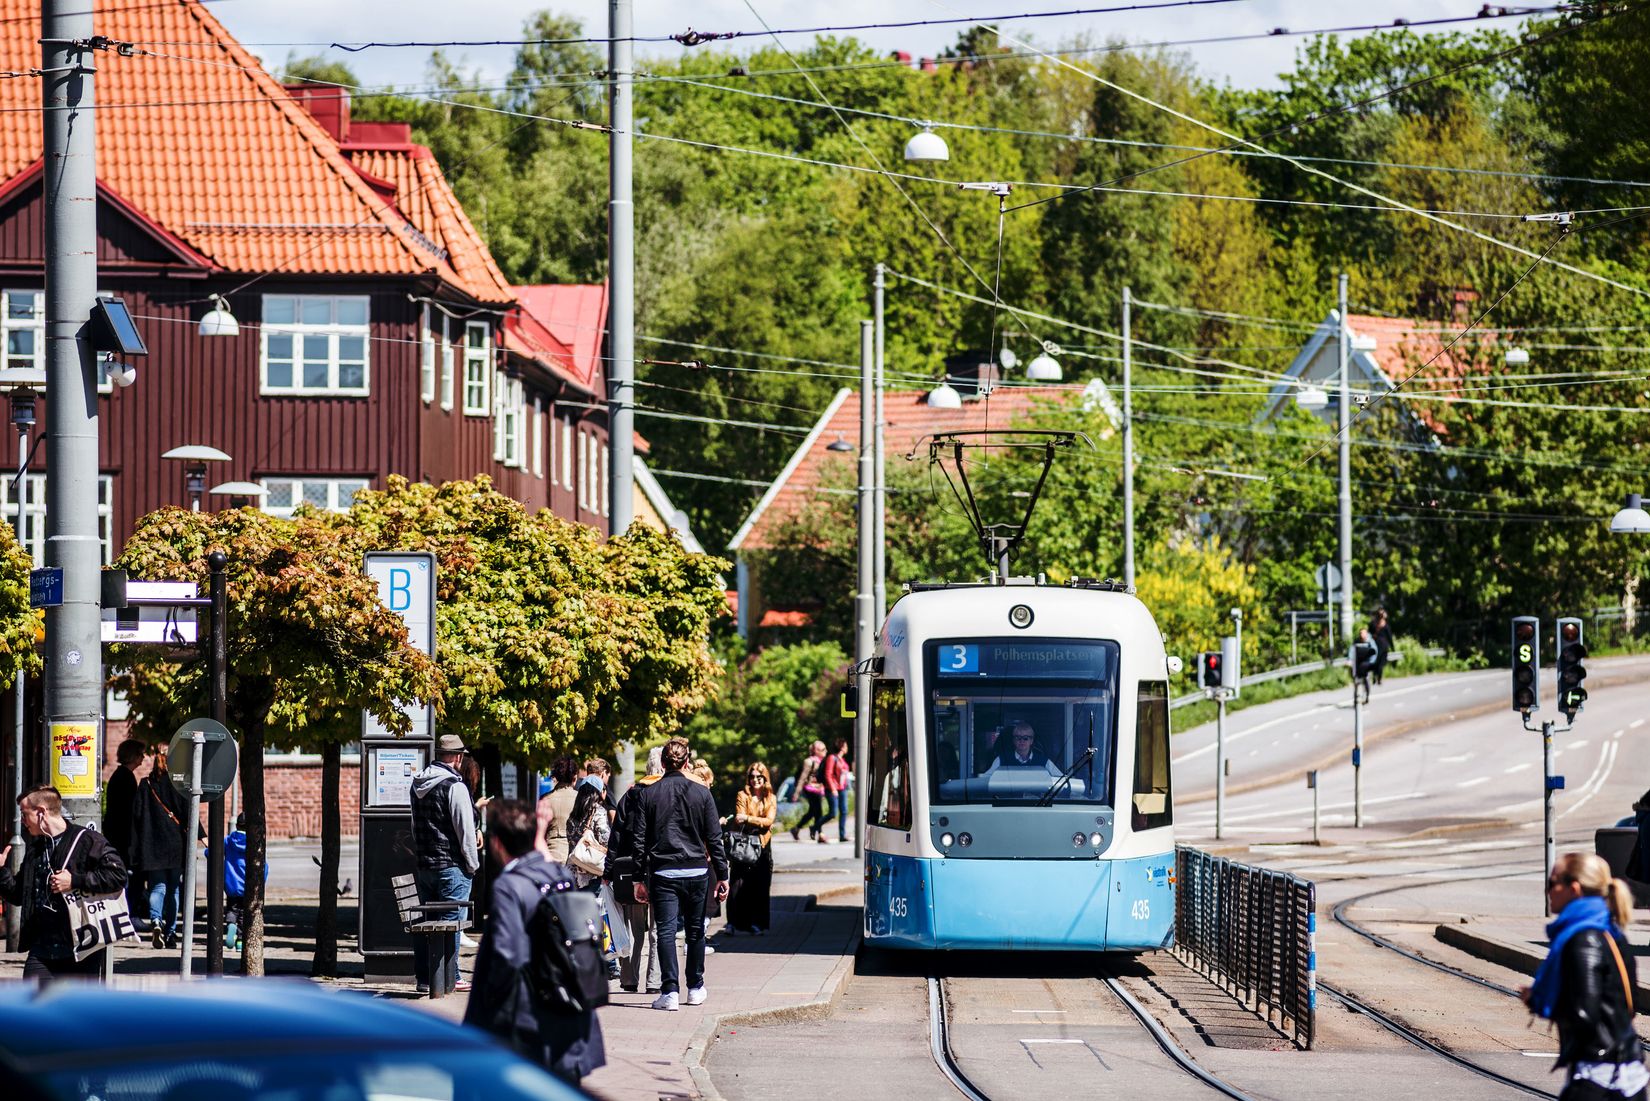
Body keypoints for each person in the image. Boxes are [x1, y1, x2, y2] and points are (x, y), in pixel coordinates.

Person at [464, 799, 606, 1087]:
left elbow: (508, 957)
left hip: (531, 1025)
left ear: (497, 844)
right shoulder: (560, 876)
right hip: (572, 1010)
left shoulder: (509, 886)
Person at [1520, 852, 1645, 1100]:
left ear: (1574, 889)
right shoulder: (1610, 932)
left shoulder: (1583, 939)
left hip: (1600, 1077)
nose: (1548, 891)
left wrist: (1539, 1001)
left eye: (1552, 883)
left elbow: (1584, 1015)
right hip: (1625, 1071)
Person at [634, 736, 728, 1011]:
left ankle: (670, 991)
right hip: (697, 869)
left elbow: (640, 840)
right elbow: (714, 838)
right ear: (687, 762)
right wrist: (722, 874)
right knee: (695, 931)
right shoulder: (702, 793)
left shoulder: (648, 794)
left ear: (663, 763)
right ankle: (696, 987)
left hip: (663, 872)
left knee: (665, 931)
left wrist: (639, 878)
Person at [0, 786, 129, 979]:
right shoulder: (37, 849)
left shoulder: (87, 840)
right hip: (42, 949)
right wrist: (1, 872)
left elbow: (118, 875)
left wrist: (75, 881)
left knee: (77, 1008)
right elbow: (19, 895)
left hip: (81, 948)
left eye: (25, 814)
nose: (22, 820)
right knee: (33, 1005)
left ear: (42, 812)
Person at [410, 734, 481, 994]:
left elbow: (415, 827)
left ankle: (426, 978)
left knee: (426, 922)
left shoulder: (417, 784)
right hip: (451, 865)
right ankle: (452, 976)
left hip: (425, 864)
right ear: (459, 757)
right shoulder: (455, 786)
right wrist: (472, 865)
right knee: (451, 921)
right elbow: (464, 831)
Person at [609, 746, 664, 994]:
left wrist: (609, 870)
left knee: (635, 929)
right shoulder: (666, 794)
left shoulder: (630, 796)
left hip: (631, 868)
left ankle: (630, 978)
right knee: (658, 929)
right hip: (661, 867)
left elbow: (616, 835)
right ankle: (654, 980)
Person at [129, 750, 190, 949]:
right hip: (175, 845)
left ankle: (156, 921)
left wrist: (135, 847)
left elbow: (136, 816)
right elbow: (188, 814)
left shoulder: (145, 785)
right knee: (173, 890)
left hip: (152, 846)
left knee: (157, 887)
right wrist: (202, 837)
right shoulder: (179, 784)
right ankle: (171, 932)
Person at [725, 762, 776, 935]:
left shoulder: (771, 798)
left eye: (759, 777)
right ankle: (733, 923)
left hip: (762, 845)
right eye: (752, 777)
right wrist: (756, 821)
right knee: (737, 884)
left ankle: (757, 924)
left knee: (759, 886)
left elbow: (769, 821)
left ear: (765, 778)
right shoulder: (742, 795)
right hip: (743, 844)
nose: (755, 780)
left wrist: (748, 818)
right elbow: (739, 818)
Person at [105, 738, 146, 921]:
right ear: (133, 756)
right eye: (140, 754)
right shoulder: (126, 778)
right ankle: (130, 914)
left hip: (118, 834)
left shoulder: (120, 775)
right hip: (124, 837)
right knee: (130, 875)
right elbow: (130, 811)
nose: (143, 758)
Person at [223, 812, 265, 952]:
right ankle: (240, 941)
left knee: (232, 908)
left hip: (231, 885)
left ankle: (230, 924)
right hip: (248, 885)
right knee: (244, 914)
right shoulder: (254, 843)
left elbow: (210, 852)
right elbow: (264, 866)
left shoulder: (228, 841)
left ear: (236, 825)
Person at [789, 741, 834, 843]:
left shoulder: (823, 761)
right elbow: (802, 777)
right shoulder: (809, 761)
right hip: (809, 789)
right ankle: (820, 834)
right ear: (816, 751)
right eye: (823, 750)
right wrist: (796, 792)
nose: (826, 751)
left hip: (819, 789)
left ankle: (796, 828)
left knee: (812, 812)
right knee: (818, 810)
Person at [537, 757, 579, 863]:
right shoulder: (580, 799)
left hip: (551, 853)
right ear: (574, 777)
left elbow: (539, 830)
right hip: (576, 855)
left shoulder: (545, 799)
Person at [826, 741, 852, 844]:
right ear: (841, 747)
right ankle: (815, 827)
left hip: (843, 788)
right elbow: (828, 774)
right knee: (833, 813)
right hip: (836, 788)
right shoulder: (832, 758)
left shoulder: (843, 760)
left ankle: (842, 835)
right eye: (846, 745)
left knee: (844, 811)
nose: (847, 747)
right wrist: (833, 788)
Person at [1352, 628, 1379, 705]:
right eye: (1360, 633)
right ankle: (1355, 698)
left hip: (1367, 663)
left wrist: (1371, 663)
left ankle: (1367, 695)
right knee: (1356, 680)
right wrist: (1350, 660)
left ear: (1366, 634)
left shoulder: (1370, 642)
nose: (1361, 635)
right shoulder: (1356, 641)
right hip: (1358, 664)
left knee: (1366, 679)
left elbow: (1374, 652)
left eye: (1363, 633)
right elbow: (1352, 650)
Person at [1370, 609, 1395, 686]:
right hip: (1384, 646)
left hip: (1375, 645)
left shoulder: (1373, 623)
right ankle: (1379, 679)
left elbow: (1369, 633)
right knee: (1381, 663)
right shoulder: (1386, 625)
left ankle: (1375, 677)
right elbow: (1390, 637)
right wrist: (1392, 647)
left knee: (1376, 662)